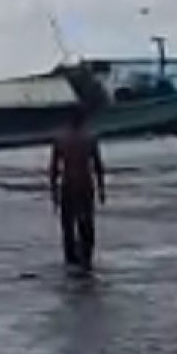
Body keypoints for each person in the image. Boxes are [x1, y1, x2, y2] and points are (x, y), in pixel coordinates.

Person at [49, 106, 106, 271]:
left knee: (68, 226)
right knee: (86, 225)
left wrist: (53, 192)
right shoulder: (89, 138)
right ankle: (86, 261)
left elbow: (54, 169)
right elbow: (98, 166)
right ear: (83, 120)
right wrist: (102, 189)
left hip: (68, 185)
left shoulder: (60, 138)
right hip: (85, 185)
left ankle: (71, 260)